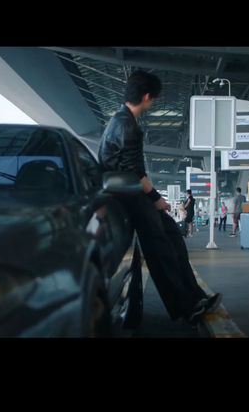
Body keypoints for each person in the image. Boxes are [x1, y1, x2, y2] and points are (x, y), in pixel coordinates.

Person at [97, 70, 221, 325]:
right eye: (153, 99)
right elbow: (134, 173)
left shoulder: (122, 120)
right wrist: (156, 198)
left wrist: (154, 198)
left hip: (132, 195)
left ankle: (196, 298)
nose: (152, 103)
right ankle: (186, 307)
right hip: (127, 199)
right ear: (146, 96)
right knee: (161, 251)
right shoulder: (125, 125)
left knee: (173, 238)